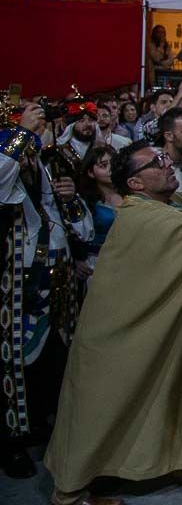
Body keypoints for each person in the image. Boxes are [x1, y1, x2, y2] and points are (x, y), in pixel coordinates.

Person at [44, 141, 182, 505]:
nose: (168, 163)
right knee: (99, 413)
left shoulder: (173, 203)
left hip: (138, 336)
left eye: (164, 156)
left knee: (137, 407)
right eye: (157, 162)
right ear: (135, 184)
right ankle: (68, 493)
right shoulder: (139, 215)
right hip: (113, 343)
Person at [0, 102, 92, 480]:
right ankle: (10, 444)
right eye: (23, 150)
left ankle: (44, 427)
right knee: (12, 368)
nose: (28, 158)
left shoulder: (46, 167)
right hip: (14, 289)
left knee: (53, 359)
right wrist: (21, 130)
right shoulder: (9, 176)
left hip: (57, 282)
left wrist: (70, 200)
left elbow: (77, 228)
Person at [74, 145, 122, 286]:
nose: (110, 169)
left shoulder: (131, 193)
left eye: (113, 163)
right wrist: (77, 260)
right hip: (98, 264)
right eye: (103, 165)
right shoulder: (85, 201)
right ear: (90, 172)